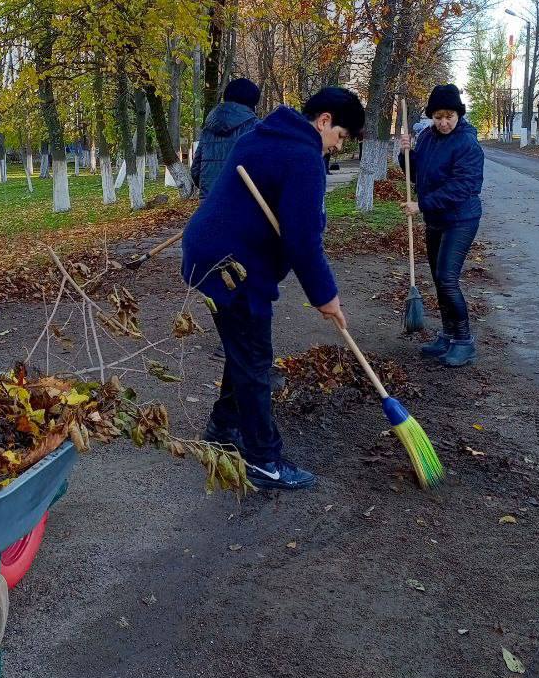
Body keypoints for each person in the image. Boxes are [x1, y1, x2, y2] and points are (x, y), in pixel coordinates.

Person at [182, 86, 366, 490]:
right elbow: (302, 240)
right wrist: (325, 296)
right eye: (341, 136)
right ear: (324, 122)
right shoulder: (303, 158)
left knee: (241, 348)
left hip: (206, 254)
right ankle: (264, 461)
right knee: (254, 357)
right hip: (232, 267)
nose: (338, 146)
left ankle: (222, 426)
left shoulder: (261, 136)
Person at [398, 83, 484, 367]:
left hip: (461, 218)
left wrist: (421, 204)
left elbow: (464, 186)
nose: (443, 122)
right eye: (438, 116)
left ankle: (464, 342)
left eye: (448, 116)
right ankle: (447, 336)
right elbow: (416, 171)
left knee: (447, 279)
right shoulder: (426, 137)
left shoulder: (467, 143)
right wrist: (406, 153)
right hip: (437, 218)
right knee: (438, 279)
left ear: (458, 114)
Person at [190, 78, 261, 199]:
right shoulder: (256, 127)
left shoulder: (208, 129)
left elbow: (196, 171)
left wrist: (209, 188)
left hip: (209, 205)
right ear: (253, 101)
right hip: (244, 204)